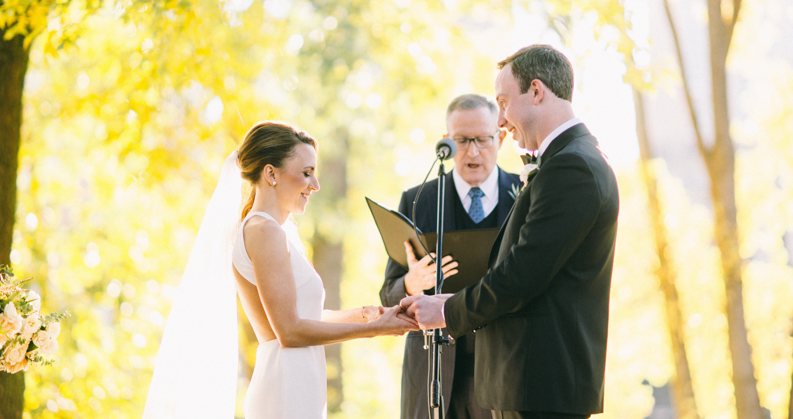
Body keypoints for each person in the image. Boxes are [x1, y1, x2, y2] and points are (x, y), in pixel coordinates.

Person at [400, 45, 620, 419]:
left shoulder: (571, 168)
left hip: (542, 388)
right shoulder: (566, 161)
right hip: (526, 386)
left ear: (536, 91)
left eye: (504, 102)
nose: (501, 120)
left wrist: (447, 311)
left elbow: (521, 276)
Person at [144, 121, 417, 419]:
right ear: (271, 173)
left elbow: (299, 317)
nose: (315, 185)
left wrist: (364, 315)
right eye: (306, 173)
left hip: (298, 382)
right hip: (286, 387)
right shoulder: (264, 231)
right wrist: (373, 330)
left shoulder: (274, 232)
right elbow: (288, 331)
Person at [380, 94, 520, 419]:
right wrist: (411, 283)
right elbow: (388, 293)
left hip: (504, 370)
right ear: (447, 142)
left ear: (499, 137)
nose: (472, 152)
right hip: (434, 375)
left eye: (483, 140)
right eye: (461, 140)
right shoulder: (418, 201)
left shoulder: (525, 195)